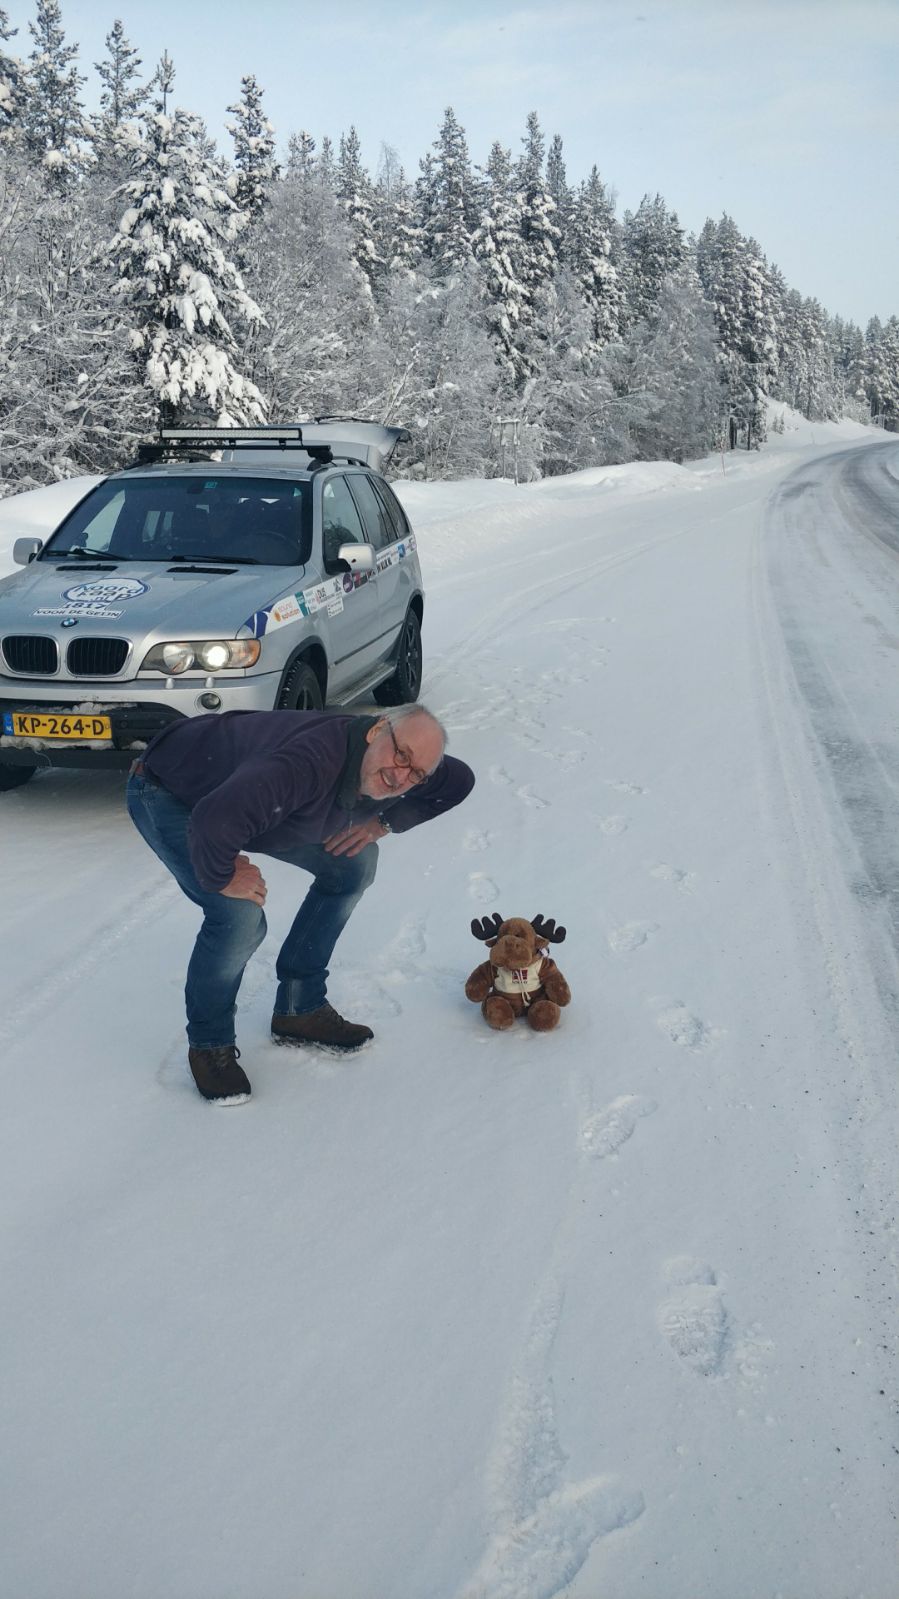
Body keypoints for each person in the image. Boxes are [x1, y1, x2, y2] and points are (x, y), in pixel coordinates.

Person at [127, 705, 474, 1105]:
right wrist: (224, 875)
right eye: (400, 755)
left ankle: (300, 1007)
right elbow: (213, 821)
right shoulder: (306, 764)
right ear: (376, 730)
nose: (401, 776)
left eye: (417, 774)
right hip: (172, 791)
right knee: (238, 915)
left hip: (248, 803)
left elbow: (459, 781)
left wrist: (382, 823)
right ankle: (209, 1044)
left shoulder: (406, 764)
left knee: (354, 864)